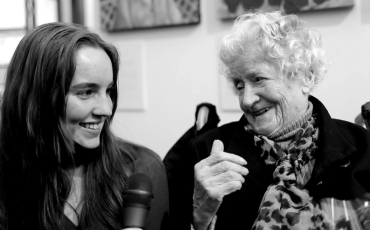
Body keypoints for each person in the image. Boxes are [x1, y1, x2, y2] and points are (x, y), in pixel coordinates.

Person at [168, 11, 370, 230]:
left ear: (305, 76)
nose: (247, 100)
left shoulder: (363, 147)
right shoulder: (206, 151)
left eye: (258, 79)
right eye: (240, 85)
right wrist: (199, 216)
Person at [0, 22, 169, 230]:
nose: (106, 109)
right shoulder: (7, 177)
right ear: (38, 97)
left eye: (109, 91)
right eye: (86, 92)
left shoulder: (142, 169)